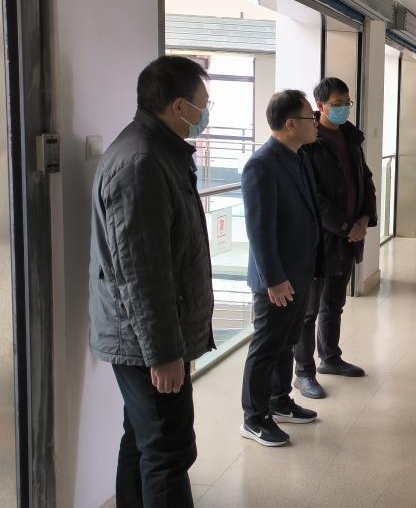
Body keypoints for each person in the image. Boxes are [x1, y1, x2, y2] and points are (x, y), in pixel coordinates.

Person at [89, 55, 214, 507]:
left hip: (144, 336)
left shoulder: (159, 152)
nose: (205, 112)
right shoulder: (142, 162)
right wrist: (163, 354)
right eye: (203, 103)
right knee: (168, 450)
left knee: (144, 439)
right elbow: (142, 274)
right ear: (179, 106)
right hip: (146, 342)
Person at [239, 90, 321, 447]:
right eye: (310, 118)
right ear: (290, 124)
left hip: (299, 272)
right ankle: (253, 418)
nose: (315, 124)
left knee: (287, 342)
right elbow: (259, 230)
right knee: (266, 346)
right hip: (276, 278)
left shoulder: (297, 156)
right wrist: (273, 279)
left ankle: (279, 401)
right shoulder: (261, 164)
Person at [292, 77, 377, 400]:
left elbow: (365, 179)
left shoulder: (351, 137)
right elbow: (313, 196)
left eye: (346, 103)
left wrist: (365, 218)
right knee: (309, 310)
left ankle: (330, 357)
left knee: (334, 303)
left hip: (349, 237)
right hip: (321, 239)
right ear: (320, 106)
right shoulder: (309, 141)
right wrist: (344, 226)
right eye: (337, 104)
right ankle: (304, 372)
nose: (343, 109)